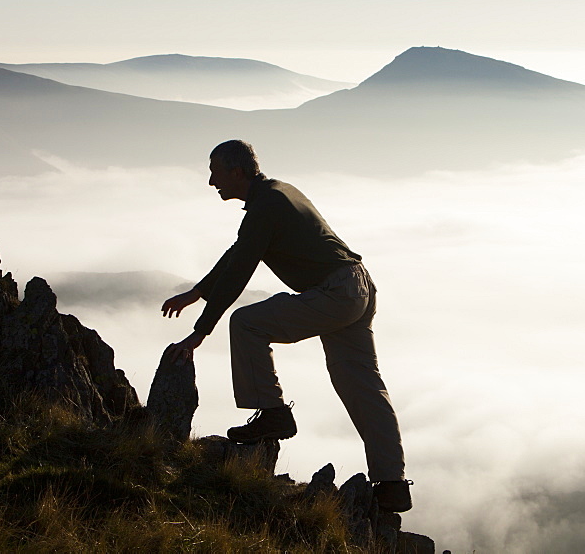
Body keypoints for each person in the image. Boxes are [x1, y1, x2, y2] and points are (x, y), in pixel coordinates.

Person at [161, 140, 411, 512]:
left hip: (336, 292)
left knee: (246, 323)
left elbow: (240, 270)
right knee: (363, 386)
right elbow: (238, 254)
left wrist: (201, 331)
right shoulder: (277, 193)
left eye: (214, 171)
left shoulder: (267, 206)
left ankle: (273, 412)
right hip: (357, 286)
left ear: (237, 171)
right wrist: (198, 292)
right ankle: (392, 485)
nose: (211, 181)